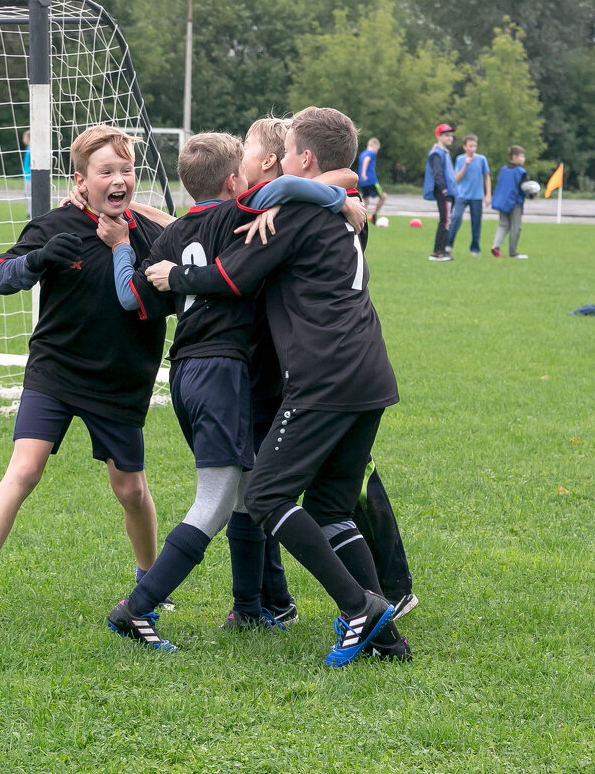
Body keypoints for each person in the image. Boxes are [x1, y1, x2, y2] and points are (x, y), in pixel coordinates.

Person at [146, 107, 403, 667]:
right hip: (370, 373)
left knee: (264, 497)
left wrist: (175, 277)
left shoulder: (290, 211)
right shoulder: (341, 213)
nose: (278, 163)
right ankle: (386, 634)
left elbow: (231, 276)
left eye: (285, 152)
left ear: (303, 159)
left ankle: (357, 607)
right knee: (333, 507)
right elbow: (330, 187)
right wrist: (336, 193)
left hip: (323, 377)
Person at [102, 131, 364, 650]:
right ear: (233, 182)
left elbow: (133, 299)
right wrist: (342, 202)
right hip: (222, 371)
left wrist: (118, 250)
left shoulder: (171, 240)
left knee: (246, 494)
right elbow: (302, 187)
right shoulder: (237, 214)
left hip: (186, 373)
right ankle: (135, 609)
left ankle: (250, 608)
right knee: (217, 501)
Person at [0, 125, 168, 633]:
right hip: (56, 371)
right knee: (24, 470)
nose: (118, 180)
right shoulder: (55, 225)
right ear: (80, 181)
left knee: (130, 489)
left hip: (120, 381)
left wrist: (131, 232)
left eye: (125, 171)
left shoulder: (150, 236)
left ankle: (151, 583)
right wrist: (38, 259)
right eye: (104, 171)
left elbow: (192, 233)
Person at [447, 134, 491, 257]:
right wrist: (466, 165)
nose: (472, 148)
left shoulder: (482, 159)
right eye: (470, 146)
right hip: (462, 195)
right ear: (464, 147)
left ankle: (475, 249)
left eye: (474, 146)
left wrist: (488, 194)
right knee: (455, 218)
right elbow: (457, 178)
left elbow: (487, 177)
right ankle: (448, 245)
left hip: (477, 196)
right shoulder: (460, 159)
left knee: (476, 223)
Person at [423, 123, 456, 261]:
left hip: (449, 192)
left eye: (451, 135)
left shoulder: (444, 152)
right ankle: (438, 252)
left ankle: (441, 250)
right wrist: (444, 189)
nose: (450, 138)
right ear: (439, 136)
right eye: (446, 135)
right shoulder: (437, 153)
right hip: (444, 192)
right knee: (445, 220)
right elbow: (438, 174)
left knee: (446, 220)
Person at [489, 145, 528, 259]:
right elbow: (523, 188)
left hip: (502, 202)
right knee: (516, 227)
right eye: (522, 156)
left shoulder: (503, 169)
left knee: (503, 225)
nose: (523, 159)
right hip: (515, 203)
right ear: (514, 157)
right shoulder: (521, 172)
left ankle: (495, 246)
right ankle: (513, 252)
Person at [357, 137, 386, 226]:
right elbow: (366, 161)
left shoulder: (362, 154)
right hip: (371, 180)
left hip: (362, 181)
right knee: (383, 197)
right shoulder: (372, 153)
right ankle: (374, 216)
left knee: (366, 202)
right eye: (378, 149)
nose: (377, 151)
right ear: (375, 145)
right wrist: (364, 174)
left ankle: (360, 220)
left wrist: (362, 175)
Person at [21, 130, 32, 219]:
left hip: (30, 176)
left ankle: (30, 212)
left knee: (29, 194)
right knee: (27, 194)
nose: (23, 139)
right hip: (27, 176)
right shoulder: (28, 149)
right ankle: (29, 212)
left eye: (24, 137)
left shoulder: (31, 149)